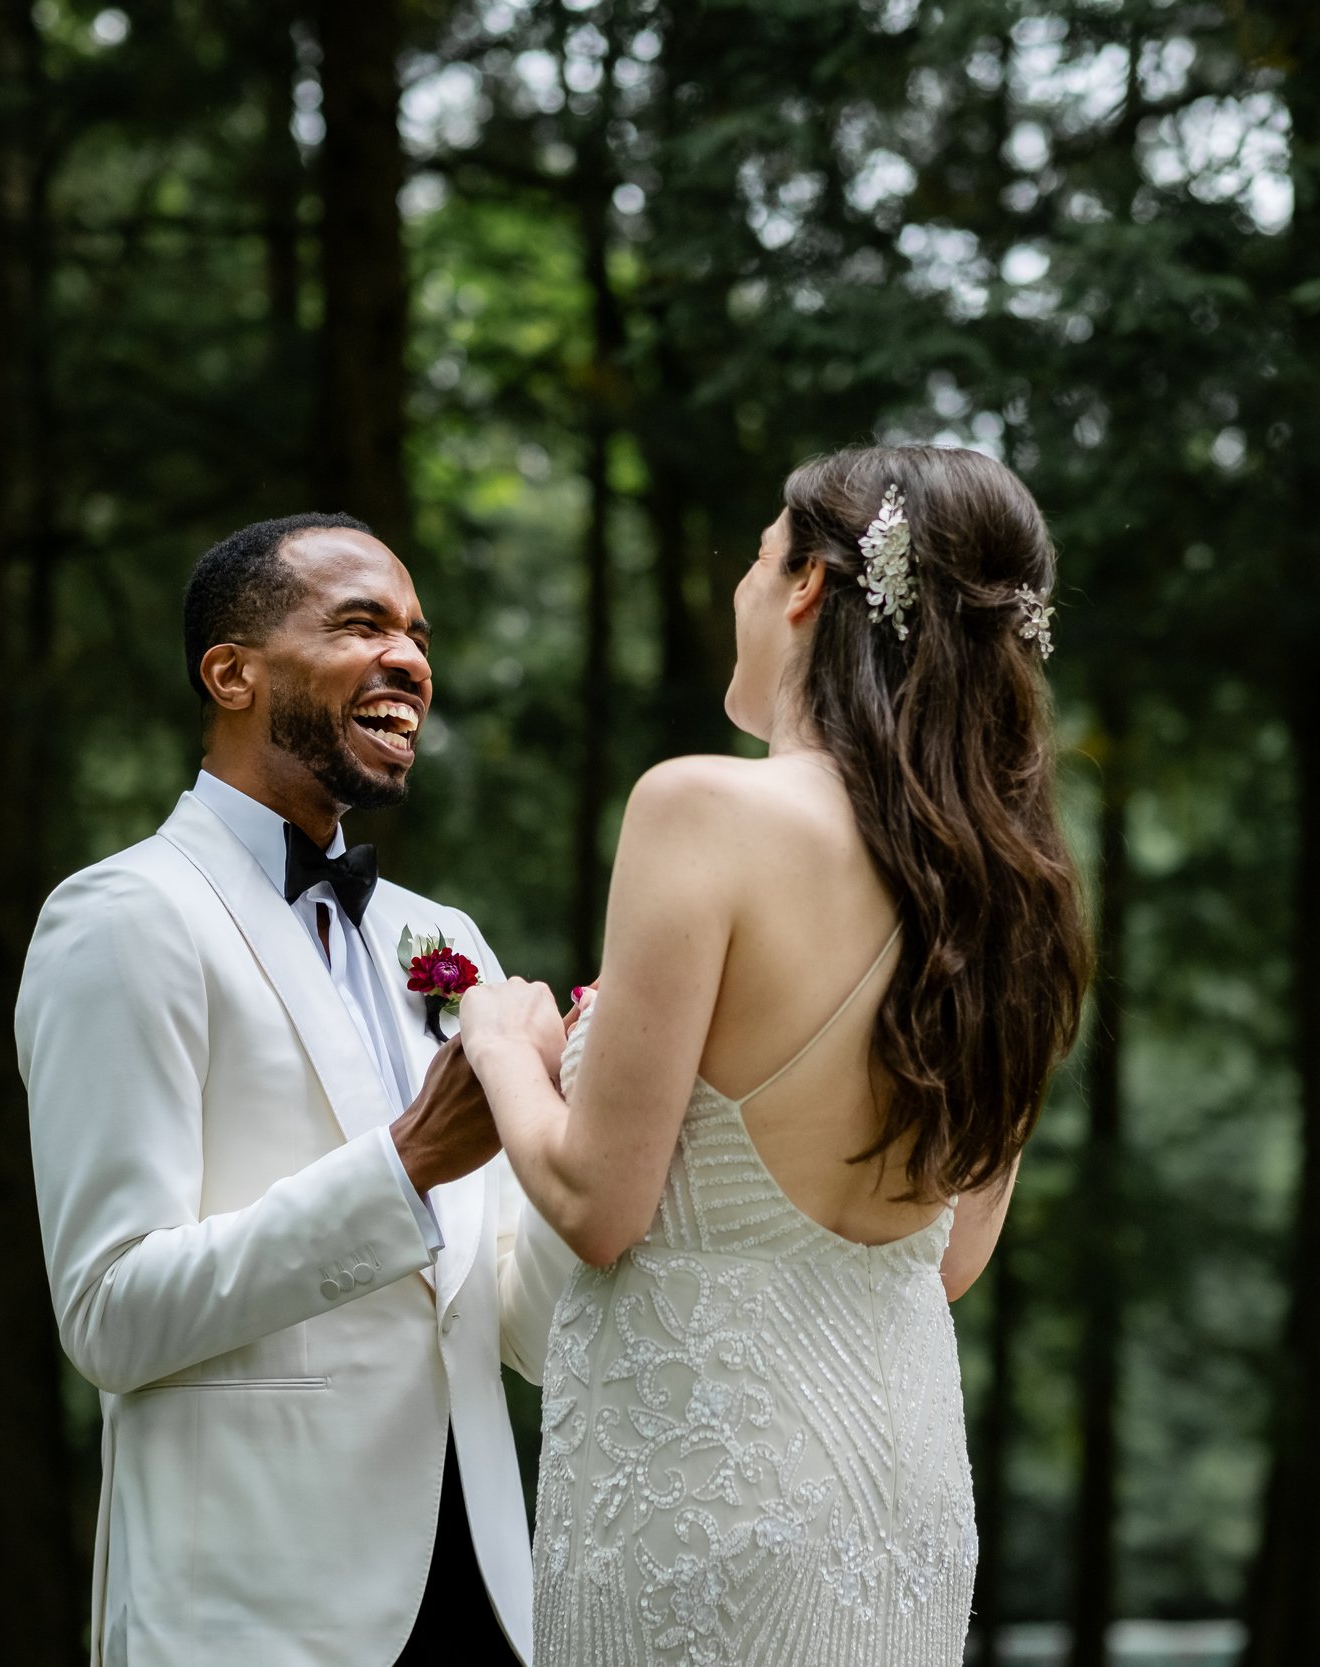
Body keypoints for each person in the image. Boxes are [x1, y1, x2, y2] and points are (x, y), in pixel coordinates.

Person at [458, 445, 1093, 1666]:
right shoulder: (1016, 886)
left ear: (806, 586)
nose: (744, 593)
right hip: (898, 1491)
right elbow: (950, 1256)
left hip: (702, 1496)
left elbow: (597, 1203)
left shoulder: (707, 809)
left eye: (757, 561)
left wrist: (503, 1050)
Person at [15, 512, 578, 1665]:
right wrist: (407, 1160)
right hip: (257, 1611)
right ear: (232, 672)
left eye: (417, 633)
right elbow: (111, 1313)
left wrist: (597, 1118)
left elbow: (520, 1328)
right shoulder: (123, 917)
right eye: (361, 622)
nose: (411, 658)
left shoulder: (443, 938)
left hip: (485, 1595)